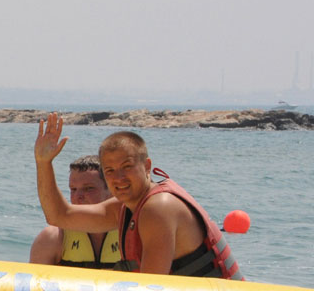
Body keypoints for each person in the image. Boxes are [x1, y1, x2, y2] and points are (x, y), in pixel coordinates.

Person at [34, 113, 242, 279]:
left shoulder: (158, 207)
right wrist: (44, 163)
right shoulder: (125, 209)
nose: (119, 178)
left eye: (127, 167)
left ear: (147, 167)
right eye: (110, 171)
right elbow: (59, 216)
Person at [29, 155, 121, 269]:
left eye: (89, 188)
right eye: (73, 189)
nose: (78, 196)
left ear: (112, 191)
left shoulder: (133, 235)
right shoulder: (53, 238)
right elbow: (33, 284)